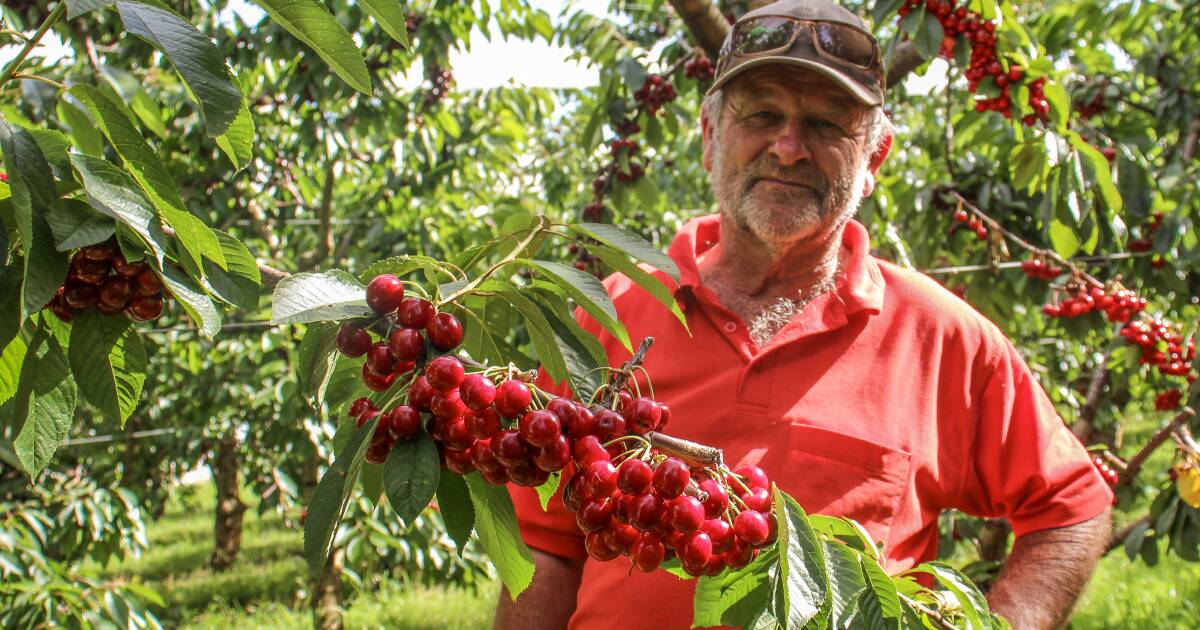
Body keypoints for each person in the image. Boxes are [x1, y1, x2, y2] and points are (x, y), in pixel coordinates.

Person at [496, 0, 1113, 627]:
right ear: (710, 138)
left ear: (873, 160)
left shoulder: (944, 339)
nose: (789, 148)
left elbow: (1072, 505)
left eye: (826, 125)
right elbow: (546, 546)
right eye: (762, 114)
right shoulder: (612, 315)